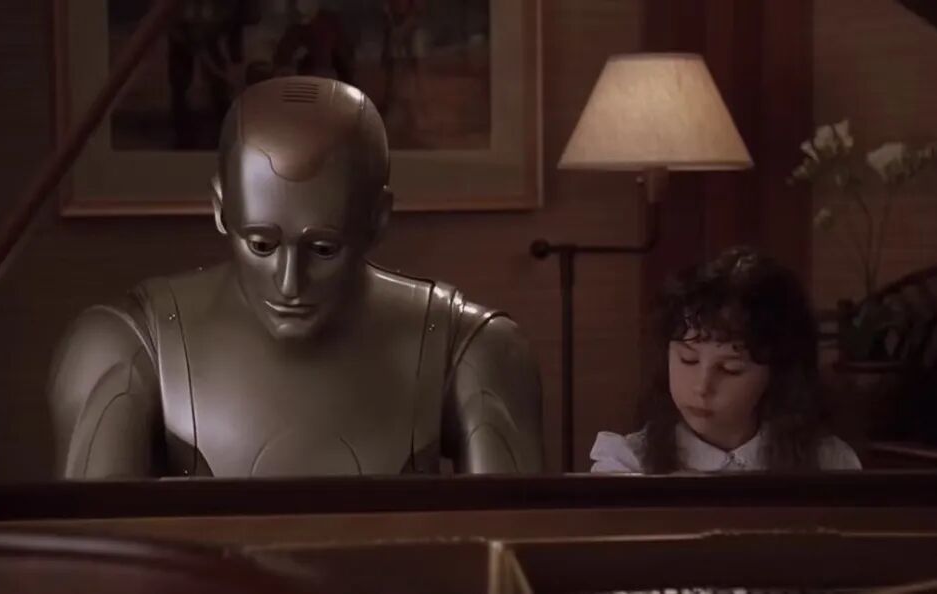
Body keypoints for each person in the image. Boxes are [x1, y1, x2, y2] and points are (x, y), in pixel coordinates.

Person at [48, 76, 542, 478]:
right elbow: (97, 555)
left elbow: (516, 548)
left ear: (377, 219)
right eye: (261, 245)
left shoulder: (475, 349)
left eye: (323, 249)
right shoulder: (123, 346)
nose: (289, 283)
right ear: (221, 209)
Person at [590, 247, 861, 474]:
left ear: (777, 371)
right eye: (688, 360)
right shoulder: (628, 464)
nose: (702, 387)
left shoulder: (828, 465)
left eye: (730, 369)